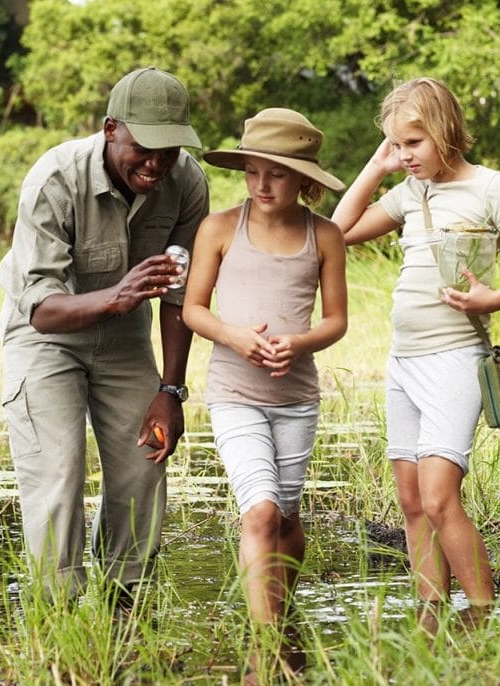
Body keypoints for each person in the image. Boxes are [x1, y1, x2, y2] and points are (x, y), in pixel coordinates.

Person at [331, 77, 500, 629]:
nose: (403, 155)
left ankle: (481, 619)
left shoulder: (490, 188)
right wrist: (376, 166)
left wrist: (494, 297)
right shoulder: (411, 191)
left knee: (438, 498)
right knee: (411, 503)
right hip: (402, 362)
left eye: (412, 143)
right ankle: (429, 616)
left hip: (456, 357)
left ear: (444, 130)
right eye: (395, 144)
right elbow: (337, 232)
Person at [0, 67, 209, 605]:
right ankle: (59, 608)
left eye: (170, 150)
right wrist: (116, 295)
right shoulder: (55, 180)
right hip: (46, 337)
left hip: (124, 335)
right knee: (58, 471)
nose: (157, 164)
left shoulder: (187, 182)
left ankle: (126, 602)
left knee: (145, 461)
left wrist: (170, 391)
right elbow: (42, 310)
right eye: (145, 148)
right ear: (112, 128)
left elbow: (180, 297)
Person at [182, 108, 347, 678]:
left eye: (276, 174)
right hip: (233, 392)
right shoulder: (220, 228)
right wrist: (233, 335)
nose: (262, 185)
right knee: (260, 512)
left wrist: (298, 343)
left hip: (297, 396)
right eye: (253, 172)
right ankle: (267, 649)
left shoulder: (324, 235)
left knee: (288, 518)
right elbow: (192, 308)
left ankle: (281, 605)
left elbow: (337, 321)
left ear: (304, 178)